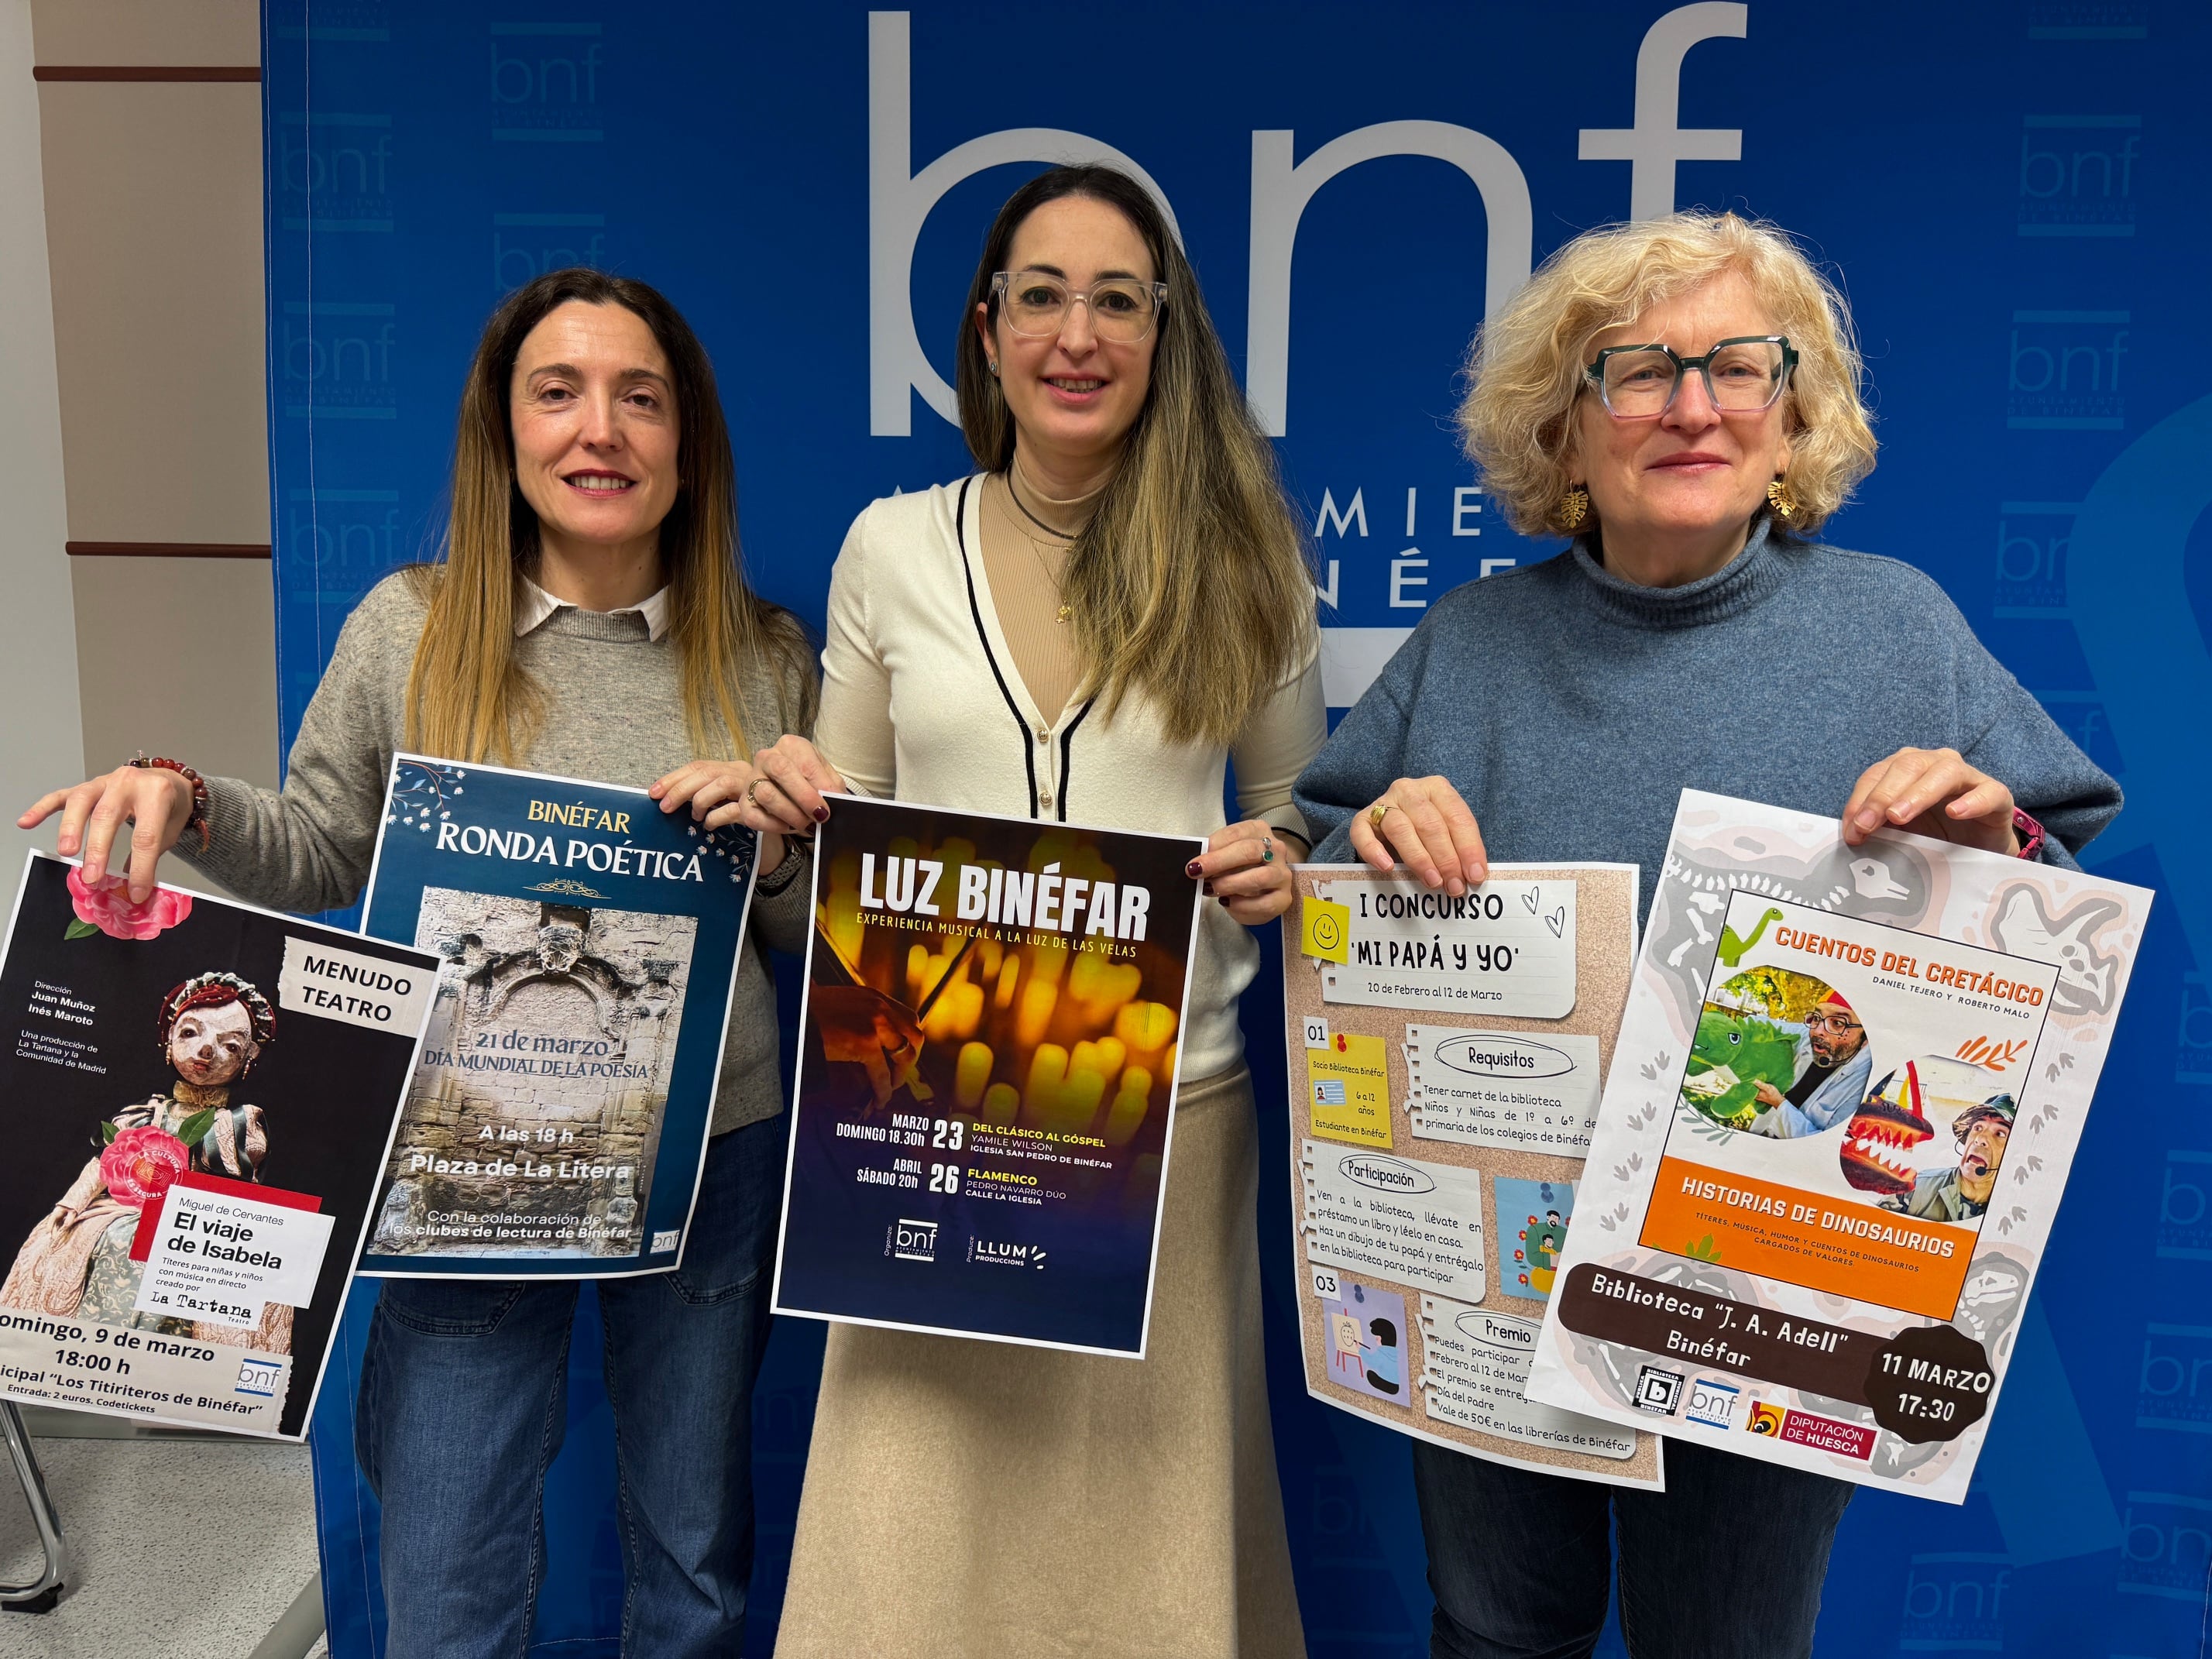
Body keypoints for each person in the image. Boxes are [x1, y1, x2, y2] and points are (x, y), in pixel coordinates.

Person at [1293, 210, 2121, 1659]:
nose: (1691, 405)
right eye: (1639, 371)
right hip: (1501, 1252)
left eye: (1740, 367)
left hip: (1770, 1270)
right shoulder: (1471, 640)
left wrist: (1994, 847)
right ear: (1562, 435)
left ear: (1793, 423)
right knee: (1494, 1630)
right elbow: (1310, 865)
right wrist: (1370, 834)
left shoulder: (1898, 628)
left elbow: (2051, 861)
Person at [17, 268, 818, 1658]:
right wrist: (184, 794)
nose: (601, 430)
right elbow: (324, 845)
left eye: (641, 398)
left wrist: (791, 860)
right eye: (557, 392)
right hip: (460, 1161)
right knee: (447, 1553)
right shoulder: (412, 625)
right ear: (503, 433)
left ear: (688, 443)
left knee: (694, 1553)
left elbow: (802, 946)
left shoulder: (762, 655)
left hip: (709, 1149)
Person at [729, 163, 1323, 1657]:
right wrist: (795, 815)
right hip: (925, 1122)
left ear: (1164, 333)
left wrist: (1282, 859)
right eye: (1041, 296)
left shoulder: (1243, 553)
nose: (1079, 333)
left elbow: (1299, 810)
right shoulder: (893, 546)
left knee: (1142, 1559)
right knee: (911, 1552)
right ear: (985, 332)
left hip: (1169, 1121)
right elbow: (843, 825)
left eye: (1117, 299)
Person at [2, 970, 287, 1351]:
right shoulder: (145, 1114)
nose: (206, 1051)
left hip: (195, 1224)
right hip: (122, 1212)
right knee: (94, 1243)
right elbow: (109, 1160)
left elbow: (239, 1189)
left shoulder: (238, 1124)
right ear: (168, 1040)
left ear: (247, 1060)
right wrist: (73, 1199)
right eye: (190, 1033)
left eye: (230, 1046)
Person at [1747, 988, 1871, 1138]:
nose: (1818, 1031)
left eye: (1838, 1023)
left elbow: (1826, 1145)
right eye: (1817, 1018)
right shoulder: (1805, 1036)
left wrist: (1778, 1103)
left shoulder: (1866, 1082)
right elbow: (1753, 1025)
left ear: (1866, 1038)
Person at [1887, 1095, 2014, 1221]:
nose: (1980, 1139)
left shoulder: (2010, 1213)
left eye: (2000, 1134)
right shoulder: (1913, 1188)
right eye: (1978, 1128)